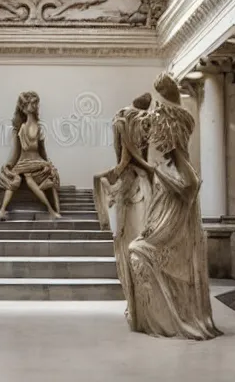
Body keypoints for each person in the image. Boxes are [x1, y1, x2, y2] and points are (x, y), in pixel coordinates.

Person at [127, 73, 222, 340]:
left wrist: (162, 175)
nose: (155, 140)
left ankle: (168, 316)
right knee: (140, 249)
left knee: (138, 251)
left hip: (176, 210)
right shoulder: (171, 154)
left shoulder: (175, 159)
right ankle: (164, 314)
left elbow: (190, 184)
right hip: (171, 208)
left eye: (158, 134)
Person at [93, 93, 153, 327]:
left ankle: (138, 308)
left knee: (128, 243)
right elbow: (136, 157)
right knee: (141, 243)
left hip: (130, 187)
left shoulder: (123, 120)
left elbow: (126, 158)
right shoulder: (143, 120)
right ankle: (143, 308)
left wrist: (110, 176)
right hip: (143, 184)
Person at [0, 91, 61, 221]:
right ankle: (2, 210)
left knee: (48, 178)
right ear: (24, 107)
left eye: (36, 103)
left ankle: (53, 210)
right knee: (19, 180)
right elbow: (17, 151)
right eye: (32, 103)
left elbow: (42, 150)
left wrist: (49, 164)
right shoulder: (21, 128)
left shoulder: (38, 127)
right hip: (24, 162)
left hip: (36, 161)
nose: (35, 106)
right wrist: (9, 164)